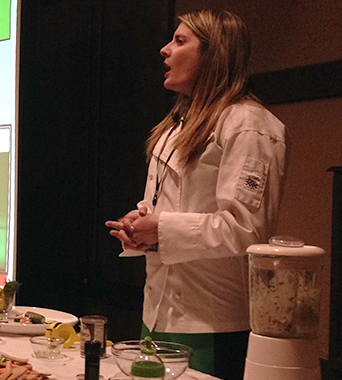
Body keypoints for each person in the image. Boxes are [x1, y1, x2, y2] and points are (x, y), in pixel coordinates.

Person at [105, 10, 289, 380]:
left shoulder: (249, 125)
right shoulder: (174, 127)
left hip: (212, 323)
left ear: (214, 53)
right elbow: (166, 206)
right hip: (157, 314)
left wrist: (162, 229)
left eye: (180, 41)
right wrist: (139, 223)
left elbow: (246, 229)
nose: (165, 50)